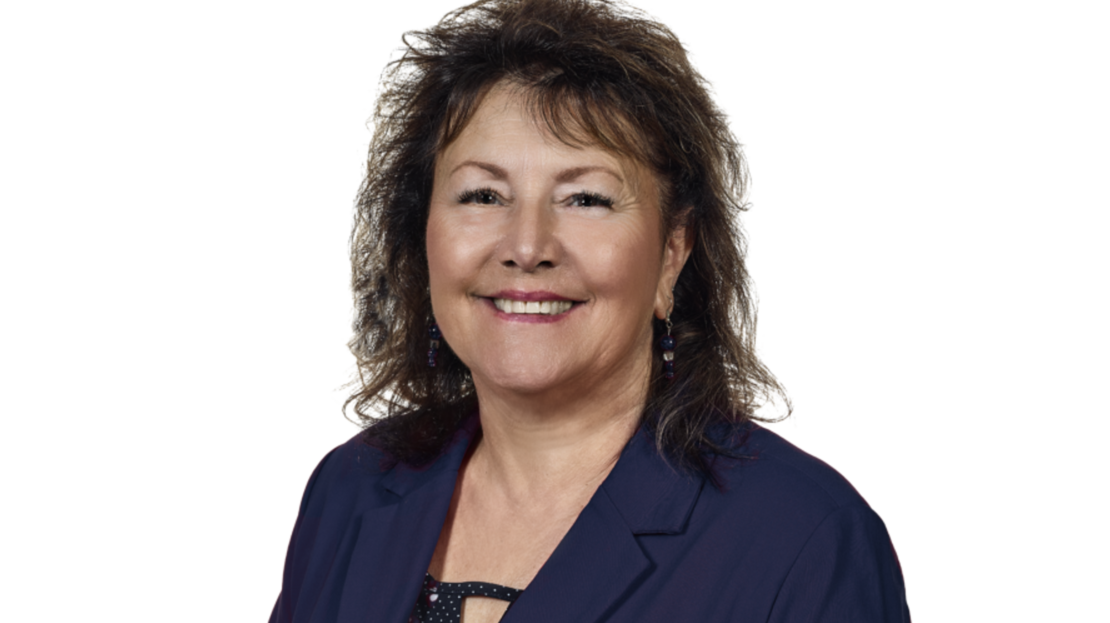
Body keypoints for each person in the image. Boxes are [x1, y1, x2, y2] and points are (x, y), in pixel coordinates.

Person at [268, 1, 910, 621]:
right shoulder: (347, 490)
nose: (527, 248)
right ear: (422, 238)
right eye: (483, 195)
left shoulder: (802, 538)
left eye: (586, 200)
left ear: (672, 254)